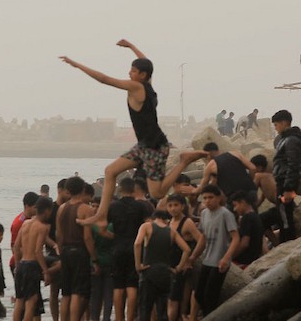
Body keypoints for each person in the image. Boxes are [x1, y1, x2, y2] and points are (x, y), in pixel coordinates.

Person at [61, 40, 198, 226]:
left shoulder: (137, 87)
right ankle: (101, 215)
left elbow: (105, 80)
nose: (129, 73)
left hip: (154, 147)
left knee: (157, 193)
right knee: (110, 171)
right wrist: (131, 46)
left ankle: (183, 161)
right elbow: (146, 61)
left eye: (133, 71)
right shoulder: (147, 83)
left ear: (142, 75)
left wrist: (76, 65)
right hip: (144, 145)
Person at [132, 209, 191, 321]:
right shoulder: (171, 231)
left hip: (149, 271)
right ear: (166, 219)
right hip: (165, 273)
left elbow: (137, 244)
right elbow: (187, 249)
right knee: (162, 307)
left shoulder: (146, 226)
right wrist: (178, 268)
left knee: (146, 306)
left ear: (154, 218)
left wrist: (138, 265)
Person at [108, 177, 150, 321]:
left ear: (119, 189)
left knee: (118, 287)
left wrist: (114, 237)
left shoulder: (113, 206)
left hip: (117, 247)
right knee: (132, 286)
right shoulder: (141, 206)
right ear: (134, 190)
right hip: (135, 248)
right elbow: (148, 226)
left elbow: (103, 227)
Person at [190, 185, 239, 318]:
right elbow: (203, 237)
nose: (207, 201)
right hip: (208, 259)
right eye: (205, 198)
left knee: (210, 295)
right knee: (199, 294)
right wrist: (193, 256)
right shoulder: (204, 214)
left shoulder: (225, 214)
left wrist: (226, 257)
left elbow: (235, 238)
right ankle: (210, 318)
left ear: (218, 198)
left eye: (210, 197)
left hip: (220, 261)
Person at [56, 175, 95, 321]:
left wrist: (60, 250)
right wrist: (94, 257)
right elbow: (87, 237)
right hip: (79, 251)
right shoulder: (86, 209)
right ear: (83, 189)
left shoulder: (61, 208)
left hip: (65, 250)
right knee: (77, 293)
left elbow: (58, 234)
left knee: (65, 293)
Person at [12, 196, 55, 321]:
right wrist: (46, 272)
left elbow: (16, 246)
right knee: (31, 301)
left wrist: (18, 265)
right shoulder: (42, 227)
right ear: (47, 211)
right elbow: (38, 251)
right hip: (31, 266)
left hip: (22, 264)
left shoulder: (25, 223)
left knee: (19, 300)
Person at [166, 193, 202, 321]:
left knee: (179, 295)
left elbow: (200, 240)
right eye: (170, 206)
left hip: (183, 263)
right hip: (172, 263)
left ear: (182, 206)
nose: (173, 209)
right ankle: (176, 320)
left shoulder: (187, 222)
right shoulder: (170, 222)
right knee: (175, 294)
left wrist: (191, 259)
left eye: (176, 205)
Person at [268, 110, 301, 242]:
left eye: (276, 125)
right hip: (282, 184)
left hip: (285, 185)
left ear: (284, 123)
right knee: (283, 216)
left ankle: (288, 243)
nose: (276, 128)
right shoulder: (285, 139)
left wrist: (289, 188)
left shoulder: (292, 140)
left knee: (285, 219)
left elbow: (294, 165)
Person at [230, 191, 264, 266]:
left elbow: (244, 243)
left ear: (242, 202)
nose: (234, 209)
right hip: (254, 257)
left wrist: (230, 257)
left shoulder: (247, 218)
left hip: (245, 260)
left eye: (235, 205)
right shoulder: (255, 216)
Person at [9, 191, 38, 274]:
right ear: (27, 206)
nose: (37, 209)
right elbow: (14, 247)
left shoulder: (33, 219)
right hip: (19, 263)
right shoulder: (18, 223)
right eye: (35, 207)